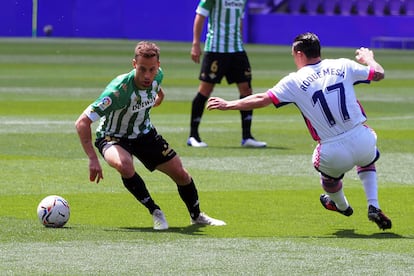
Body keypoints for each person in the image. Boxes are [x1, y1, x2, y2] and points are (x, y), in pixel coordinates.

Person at [207, 32, 392, 230]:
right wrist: (369, 59)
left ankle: (340, 205)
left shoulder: (294, 80)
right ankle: (374, 205)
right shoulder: (343, 65)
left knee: (327, 176)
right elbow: (379, 73)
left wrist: (228, 104)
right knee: (367, 159)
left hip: (332, 151)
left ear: (298, 53)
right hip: (362, 139)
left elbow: (262, 99)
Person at [75, 41, 226, 230]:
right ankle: (155, 211)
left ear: (158, 67)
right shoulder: (118, 91)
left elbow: (156, 87)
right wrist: (92, 159)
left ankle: (197, 216)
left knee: (181, 173)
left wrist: (159, 97)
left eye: (152, 70)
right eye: (142, 70)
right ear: (134, 65)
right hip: (112, 136)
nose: (147, 75)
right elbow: (82, 122)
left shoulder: (157, 76)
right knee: (124, 165)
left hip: (144, 133)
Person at [187, 0, 267, 148]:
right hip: (216, 49)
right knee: (205, 90)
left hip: (236, 50)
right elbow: (200, 15)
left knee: (246, 90)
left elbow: (240, 20)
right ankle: (193, 136)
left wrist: (241, 41)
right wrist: (196, 44)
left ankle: (247, 136)